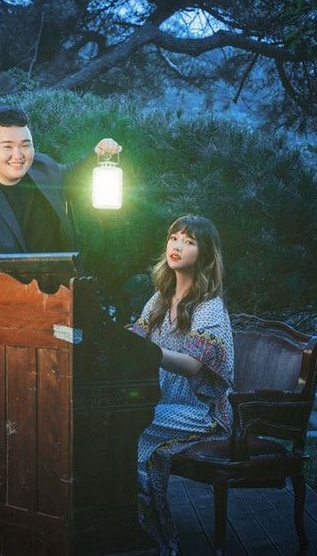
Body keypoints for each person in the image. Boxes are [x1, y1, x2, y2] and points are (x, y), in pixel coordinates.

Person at [128, 214, 234, 555]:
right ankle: (130, 527)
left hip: (203, 413)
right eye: (174, 238)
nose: (178, 246)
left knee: (134, 427)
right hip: (164, 404)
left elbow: (192, 365)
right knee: (120, 423)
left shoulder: (209, 306)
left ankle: (158, 537)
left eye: (189, 242)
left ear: (205, 255)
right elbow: (134, 340)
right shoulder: (160, 298)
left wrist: (148, 352)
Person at [0, 107, 121, 255]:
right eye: (8, 146)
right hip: (7, 288)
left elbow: (71, 177)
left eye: (25, 145)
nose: (18, 155)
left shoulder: (42, 166)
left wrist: (97, 154)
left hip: (64, 284)